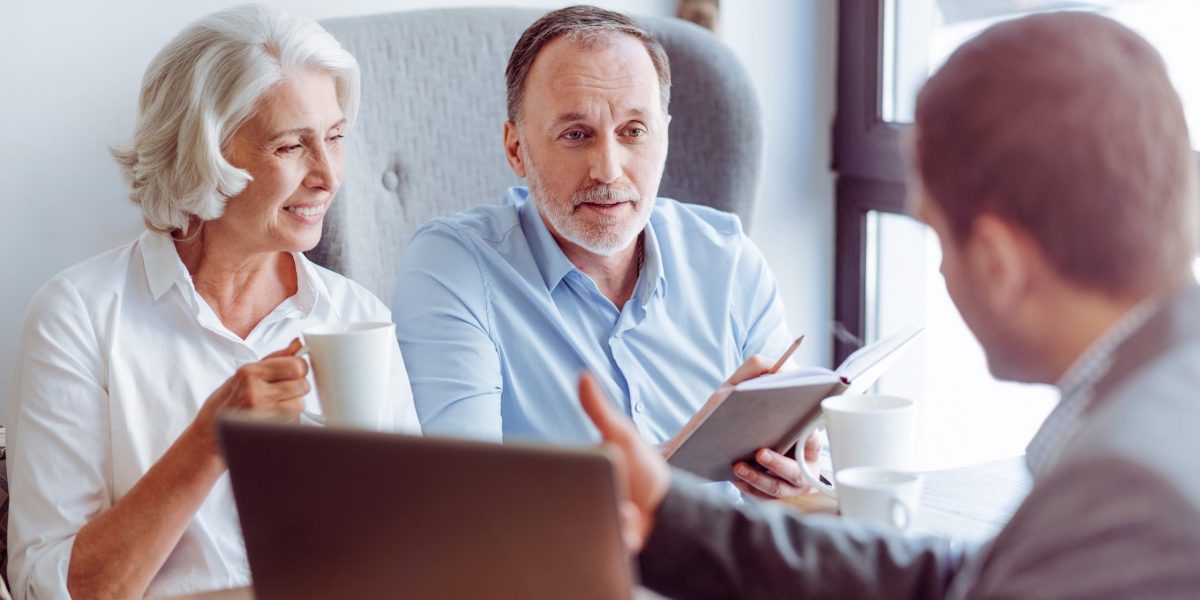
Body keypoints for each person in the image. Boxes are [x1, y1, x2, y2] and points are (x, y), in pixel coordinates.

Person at [580, 11, 1200, 598]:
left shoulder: (1129, 489)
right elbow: (964, 583)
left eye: (933, 233)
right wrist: (672, 514)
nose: (937, 268)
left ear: (997, 262)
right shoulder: (1162, 397)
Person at [6, 7, 420, 598]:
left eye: (334, 138)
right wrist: (209, 442)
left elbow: (418, 550)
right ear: (205, 152)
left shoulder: (358, 318)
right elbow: (47, 589)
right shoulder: (78, 318)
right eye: (289, 146)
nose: (328, 175)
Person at [393, 5, 817, 499]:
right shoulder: (453, 267)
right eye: (576, 135)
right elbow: (468, 499)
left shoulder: (727, 257)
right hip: (561, 575)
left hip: (732, 569)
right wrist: (689, 455)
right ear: (516, 149)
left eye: (633, 131)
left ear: (664, 136)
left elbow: (801, 475)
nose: (608, 170)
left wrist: (794, 472)